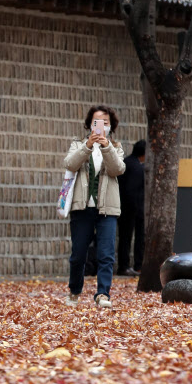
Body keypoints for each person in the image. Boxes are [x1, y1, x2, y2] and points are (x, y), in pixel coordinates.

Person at [64, 106, 125, 308]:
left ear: (111, 126)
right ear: (90, 125)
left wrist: (106, 147)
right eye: (97, 122)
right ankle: (74, 291)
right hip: (82, 208)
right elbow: (70, 164)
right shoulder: (78, 144)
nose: (101, 126)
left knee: (106, 254)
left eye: (105, 123)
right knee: (78, 254)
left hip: (107, 209)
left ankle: (103, 294)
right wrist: (87, 146)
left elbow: (117, 169)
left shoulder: (116, 147)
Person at [117, 139, 146, 276]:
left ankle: (125, 265)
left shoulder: (126, 162)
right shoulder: (137, 168)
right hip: (132, 209)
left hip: (122, 207)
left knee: (124, 238)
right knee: (132, 238)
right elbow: (132, 190)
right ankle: (131, 266)